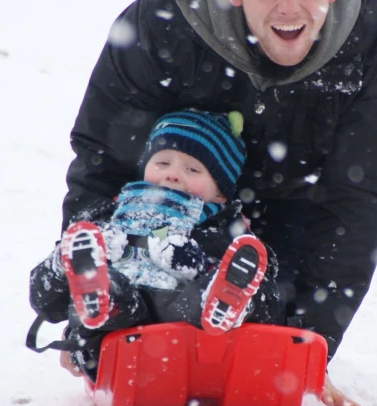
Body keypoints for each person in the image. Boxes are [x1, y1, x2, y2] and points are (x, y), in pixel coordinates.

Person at [59, 0, 377, 406]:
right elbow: (102, 158)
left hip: (298, 199)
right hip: (179, 199)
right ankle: (112, 311)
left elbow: (359, 193)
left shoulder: (376, 35)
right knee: (148, 303)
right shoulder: (163, 22)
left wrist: (311, 344)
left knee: (262, 322)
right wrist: (80, 313)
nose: (290, 7)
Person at [28, 109, 281, 380]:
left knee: (208, 300)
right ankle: (100, 295)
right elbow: (48, 305)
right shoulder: (105, 217)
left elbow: (271, 304)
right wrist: (62, 262)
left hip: (187, 339)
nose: (173, 175)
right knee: (113, 293)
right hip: (112, 345)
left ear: (220, 193)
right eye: (162, 163)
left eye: (192, 169)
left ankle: (218, 299)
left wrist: (200, 264)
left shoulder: (224, 230)